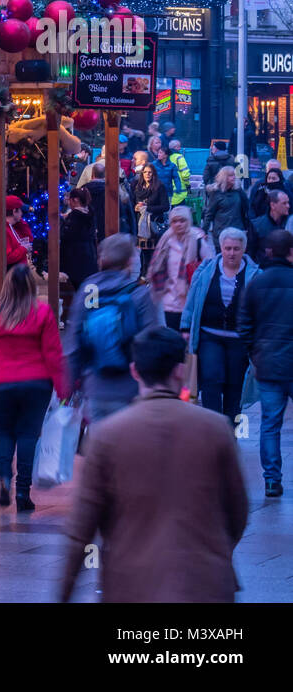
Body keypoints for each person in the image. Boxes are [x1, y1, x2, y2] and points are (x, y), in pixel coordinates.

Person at [58, 326, 248, 602]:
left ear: (135, 371)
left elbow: (80, 531)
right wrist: (214, 552)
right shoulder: (217, 429)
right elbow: (237, 512)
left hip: (132, 586)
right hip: (206, 586)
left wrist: (64, 592)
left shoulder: (107, 436)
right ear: (179, 371)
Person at [0, 264, 68, 512]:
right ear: (31, 286)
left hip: (0, 383)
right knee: (29, 435)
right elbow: (53, 355)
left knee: (5, 433)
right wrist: (64, 389)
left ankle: (4, 477)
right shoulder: (42, 312)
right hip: (36, 383)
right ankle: (22, 491)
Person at [62, 234, 163, 422]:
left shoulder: (88, 290)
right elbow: (152, 345)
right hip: (132, 392)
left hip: (95, 388)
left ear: (101, 259)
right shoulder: (139, 294)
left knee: (100, 448)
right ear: (130, 261)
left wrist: (69, 390)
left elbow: (73, 345)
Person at [181, 227, 258, 423]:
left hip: (239, 339)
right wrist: (185, 326)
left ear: (243, 249)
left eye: (236, 249)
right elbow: (192, 300)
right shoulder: (206, 270)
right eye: (228, 248)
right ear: (220, 248)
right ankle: (212, 429)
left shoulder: (255, 275)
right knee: (211, 382)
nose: (231, 253)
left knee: (235, 386)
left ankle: (230, 434)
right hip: (209, 336)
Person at [237, 228, 293, 498]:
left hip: (268, 362)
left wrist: (254, 352)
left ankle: (272, 480)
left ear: (268, 252)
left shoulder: (256, 283)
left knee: (270, 424)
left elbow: (244, 324)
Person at [146, 206, 214, 330]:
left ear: (188, 221)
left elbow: (211, 267)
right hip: (169, 301)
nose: (178, 224)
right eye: (175, 221)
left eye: (182, 221)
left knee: (188, 336)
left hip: (190, 301)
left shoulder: (198, 242)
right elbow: (156, 266)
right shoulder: (165, 241)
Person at [0, 195, 30, 290]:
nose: (22, 214)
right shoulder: (1, 230)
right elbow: (6, 257)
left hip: (14, 281)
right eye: (20, 210)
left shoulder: (9, 227)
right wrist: (24, 249)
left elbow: (28, 236)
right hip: (9, 285)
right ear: (14, 211)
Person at [202, 165, 251, 251]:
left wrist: (247, 227)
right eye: (230, 175)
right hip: (221, 232)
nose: (233, 178)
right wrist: (204, 230)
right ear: (224, 177)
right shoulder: (216, 193)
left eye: (234, 175)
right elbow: (209, 213)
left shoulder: (238, 191)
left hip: (237, 231)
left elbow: (246, 208)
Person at [59, 186, 98, 289]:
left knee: (78, 290)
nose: (69, 203)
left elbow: (66, 236)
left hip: (75, 260)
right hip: (90, 256)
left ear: (75, 200)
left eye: (69, 200)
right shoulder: (90, 214)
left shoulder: (74, 217)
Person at [131, 163, 169, 246]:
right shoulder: (137, 187)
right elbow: (132, 202)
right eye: (145, 172)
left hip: (153, 223)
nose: (147, 174)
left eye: (150, 172)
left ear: (153, 174)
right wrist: (135, 207)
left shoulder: (159, 187)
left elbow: (166, 206)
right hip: (138, 223)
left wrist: (147, 208)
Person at [249, 188, 290, 260]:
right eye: (284, 203)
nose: (288, 206)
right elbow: (251, 252)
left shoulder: (290, 223)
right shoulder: (256, 225)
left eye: (288, 202)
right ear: (273, 205)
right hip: (264, 267)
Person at [84, 162, 108, 241]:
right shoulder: (110, 190)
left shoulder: (84, 189)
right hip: (105, 225)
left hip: (88, 225)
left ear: (92, 174)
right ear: (104, 175)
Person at [167, 140, 191, 206]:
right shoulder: (179, 157)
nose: (180, 148)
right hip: (179, 192)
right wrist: (188, 184)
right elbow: (185, 174)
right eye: (179, 147)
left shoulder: (166, 157)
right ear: (175, 147)